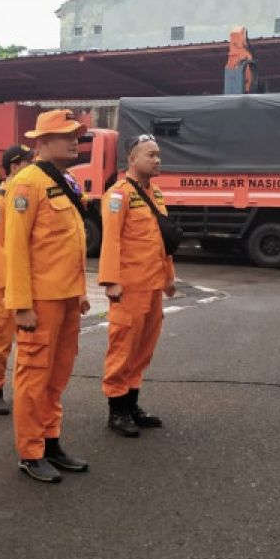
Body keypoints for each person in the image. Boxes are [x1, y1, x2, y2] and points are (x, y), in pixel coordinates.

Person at [4, 110, 91, 484]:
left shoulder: (67, 181)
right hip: (40, 302)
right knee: (34, 376)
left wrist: (82, 291)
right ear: (41, 143)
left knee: (57, 375)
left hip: (67, 296)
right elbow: (16, 248)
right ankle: (30, 451)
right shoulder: (26, 183)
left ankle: (51, 440)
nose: (75, 140)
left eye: (76, 135)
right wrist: (21, 305)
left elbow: (72, 241)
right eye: (66, 135)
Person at [99, 135, 177, 437]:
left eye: (158, 155)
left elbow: (161, 240)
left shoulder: (155, 193)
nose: (157, 160)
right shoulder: (118, 195)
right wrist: (111, 281)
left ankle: (131, 404)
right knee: (123, 347)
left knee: (143, 348)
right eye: (151, 155)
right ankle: (117, 411)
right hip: (129, 287)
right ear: (132, 160)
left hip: (153, 284)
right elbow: (112, 240)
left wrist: (169, 275)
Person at [0, 144, 32, 415]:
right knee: (0, 341)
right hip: (3, 284)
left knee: (28, 343)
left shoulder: (23, 198)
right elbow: (1, 251)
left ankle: (25, 390)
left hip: (25, 281)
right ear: (15, 166)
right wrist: (14, 285)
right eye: (28, 162)